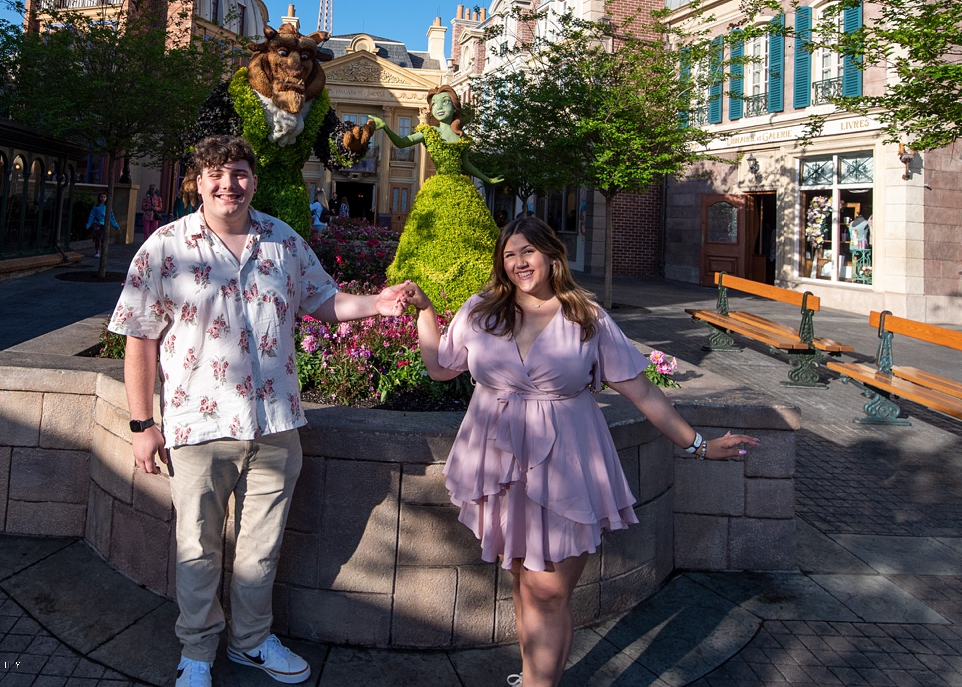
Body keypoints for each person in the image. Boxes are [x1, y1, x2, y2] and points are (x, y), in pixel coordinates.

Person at [108, 136, 412, 687]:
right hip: (198, 424)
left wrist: (377, 303)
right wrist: (141, 424)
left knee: (261, 548)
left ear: (254, 180)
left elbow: (322, 300)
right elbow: (139, 339)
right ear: (197, 181)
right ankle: (197, 653)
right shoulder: (164, 247)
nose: (230, 183)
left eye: (241, 173)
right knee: (196, 548)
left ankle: (250, 641)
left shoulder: (283, 240)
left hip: (276, 424)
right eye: (217, 174)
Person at [406, 217, 759, 687]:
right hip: (500, 465)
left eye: (528, 251)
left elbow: (643, 391)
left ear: (553, 256)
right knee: (524, 582)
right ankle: (534, 678)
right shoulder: (481, 311)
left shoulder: (586, 317)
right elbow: (440, 367)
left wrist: (698, 445)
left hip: (566, 466)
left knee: (548, 591)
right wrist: (425, 311)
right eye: (510, 254)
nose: (518, 263)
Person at [371, 85, 502, 310]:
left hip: (462, 193)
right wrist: (385, 128)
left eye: (445, 102)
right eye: (435, 104)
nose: (439, 107)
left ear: (455, 107)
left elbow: (466, 165)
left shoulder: (462, 137)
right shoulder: (428, 133)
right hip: (437, 192)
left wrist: (487, 179)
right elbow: (402, 143)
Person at [86, 191, 119, 259]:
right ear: (99, 198)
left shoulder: (108, 207)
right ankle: (97, 252)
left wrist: (116, 225)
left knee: (104, 239)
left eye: (104, 197)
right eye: (101, 197)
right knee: (97, 238)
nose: (103, 198)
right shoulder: (96, 207)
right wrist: (88, 224)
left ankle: (103, 252)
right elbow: (91, 216)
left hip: (105, 224)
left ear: (106, 198)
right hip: (97, 224)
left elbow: (111, 217)